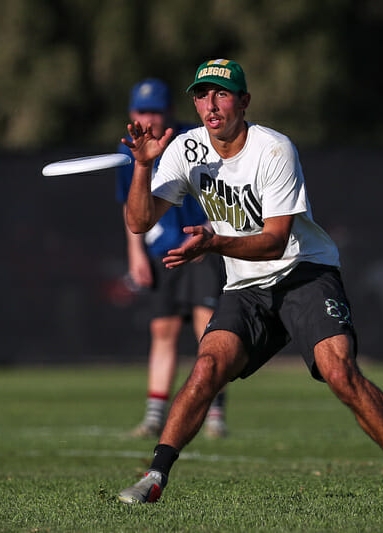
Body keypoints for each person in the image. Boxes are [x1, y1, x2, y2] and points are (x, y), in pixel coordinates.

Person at [116, 59, 383, 504]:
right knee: (207, 368)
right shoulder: (184, 149)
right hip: (245, 286)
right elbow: (139, 221)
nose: (211, 105)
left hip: (304, 272)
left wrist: (213, 243)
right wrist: (141, 167)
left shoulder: (274, 150)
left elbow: (275, 241)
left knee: (338, 372)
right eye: (201, 94)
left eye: (222, 94)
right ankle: (153, 477)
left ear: (244, 102)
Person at [116, 78, 228, 439]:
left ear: (169, 112)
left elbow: (223, 185)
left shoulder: (195, 140)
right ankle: (153, 416)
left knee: (208, 331)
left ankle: (214, 414)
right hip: (159, 251)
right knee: (162, 330)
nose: (148, 118)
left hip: (201, 249)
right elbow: (129, 206)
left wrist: (212, 230)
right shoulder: (130, 148)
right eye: (141, 110)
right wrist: (135, 252)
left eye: (155, 111)